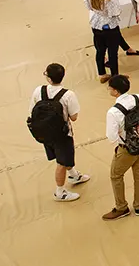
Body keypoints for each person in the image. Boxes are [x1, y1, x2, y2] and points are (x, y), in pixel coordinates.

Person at [28, 63, 91, 202]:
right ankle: (60, 192)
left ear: (48, 78)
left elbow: (31, 111)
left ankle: (74, 175)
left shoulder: (38, 90)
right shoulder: (68, 95)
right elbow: (74, 117)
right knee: (62, 162)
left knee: (62, 157)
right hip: (62, 135)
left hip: (43, 133)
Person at [103, 74, 139, 221]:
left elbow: (111, 137)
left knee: (116, 175)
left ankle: (121, 207)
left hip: (126, 148)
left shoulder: (114, 112)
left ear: (115, 91)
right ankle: (138, 205)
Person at [87, 0, 122, 83]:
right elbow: (115, 12)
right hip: (110, 27)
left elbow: (89, 7)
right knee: (112, 52)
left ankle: (101, 73)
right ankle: (115, 76)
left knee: (100, 51)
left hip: (96, 25)